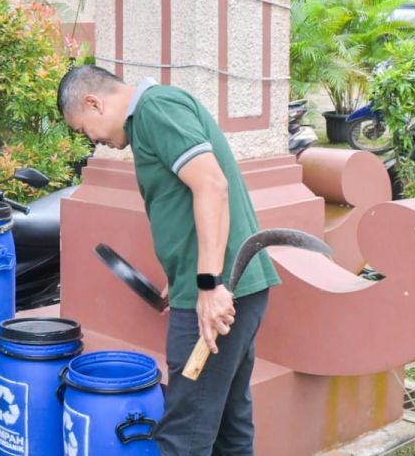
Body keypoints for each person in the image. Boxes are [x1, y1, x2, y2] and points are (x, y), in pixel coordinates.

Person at [57, 65, 281, 455]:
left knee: (184, 432)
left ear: (94, 103)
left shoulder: (155, 109)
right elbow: (184, 203)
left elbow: (211, 185)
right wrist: (183, 273)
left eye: (83, 129)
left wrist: (208, 285)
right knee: (230, 421)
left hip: (219, 295)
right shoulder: (151, 117)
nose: (92, 140)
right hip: (234, 288)